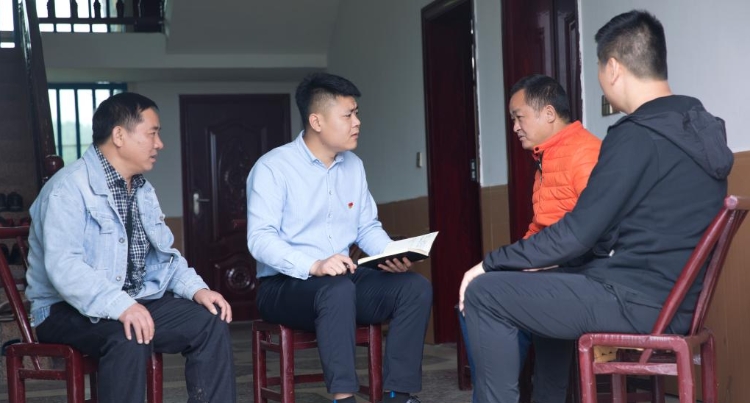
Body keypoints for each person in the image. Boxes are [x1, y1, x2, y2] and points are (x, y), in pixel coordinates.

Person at [459, 10, 734, 403]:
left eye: (600, 71)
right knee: (550, 279)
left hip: (637, 301)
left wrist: (489, 263)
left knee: (486, 292)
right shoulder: (695, 127)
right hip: (675, 300)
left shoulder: (638, 135)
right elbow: (607, 231)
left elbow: (578, 232)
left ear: (613, 68)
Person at [26, 92, 236, 403]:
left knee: (210, 321)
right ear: (119, 135)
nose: (159, 144)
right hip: (62, 309)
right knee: (130, 334)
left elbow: (163, 256)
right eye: (152, 133)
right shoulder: (67, 188)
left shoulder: (141, 189)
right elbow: (65, 269)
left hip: (131, 300)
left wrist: (197, 289)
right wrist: (122, 306)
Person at [246, 72, 432, 403]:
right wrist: (314, 265)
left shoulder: (354, 166)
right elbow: (260, 239)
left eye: (356, 113)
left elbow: (367, 227)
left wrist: (390, 253)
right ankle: (344, 397)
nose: (357, 122)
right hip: (284, 286)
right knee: (337, 290)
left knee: (413, 288)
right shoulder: (273, 168)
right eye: (348, 115)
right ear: (316, 121)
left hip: (343, 280)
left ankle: (398, 394)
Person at [457, 74, 601, 398]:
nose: (515, 127)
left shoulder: (585, 153)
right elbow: (539, 229)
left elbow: (595, 229)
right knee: (485, 292)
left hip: (584, 273)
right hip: (558, 267)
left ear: (548, 113)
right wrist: (517, 261)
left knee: (483, 296)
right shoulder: (547, 158)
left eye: (518, 117)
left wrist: (530, 262)